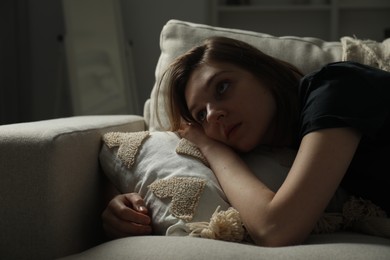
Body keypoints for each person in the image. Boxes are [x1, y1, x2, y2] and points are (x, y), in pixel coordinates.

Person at [102, 36, 390, 246]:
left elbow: (276, 227)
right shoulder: (286, 144)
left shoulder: (334, 88)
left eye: (222, 87)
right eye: (201, 114)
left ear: (262, 73)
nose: (214, 115)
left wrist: (211, 147)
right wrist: (119, 198)